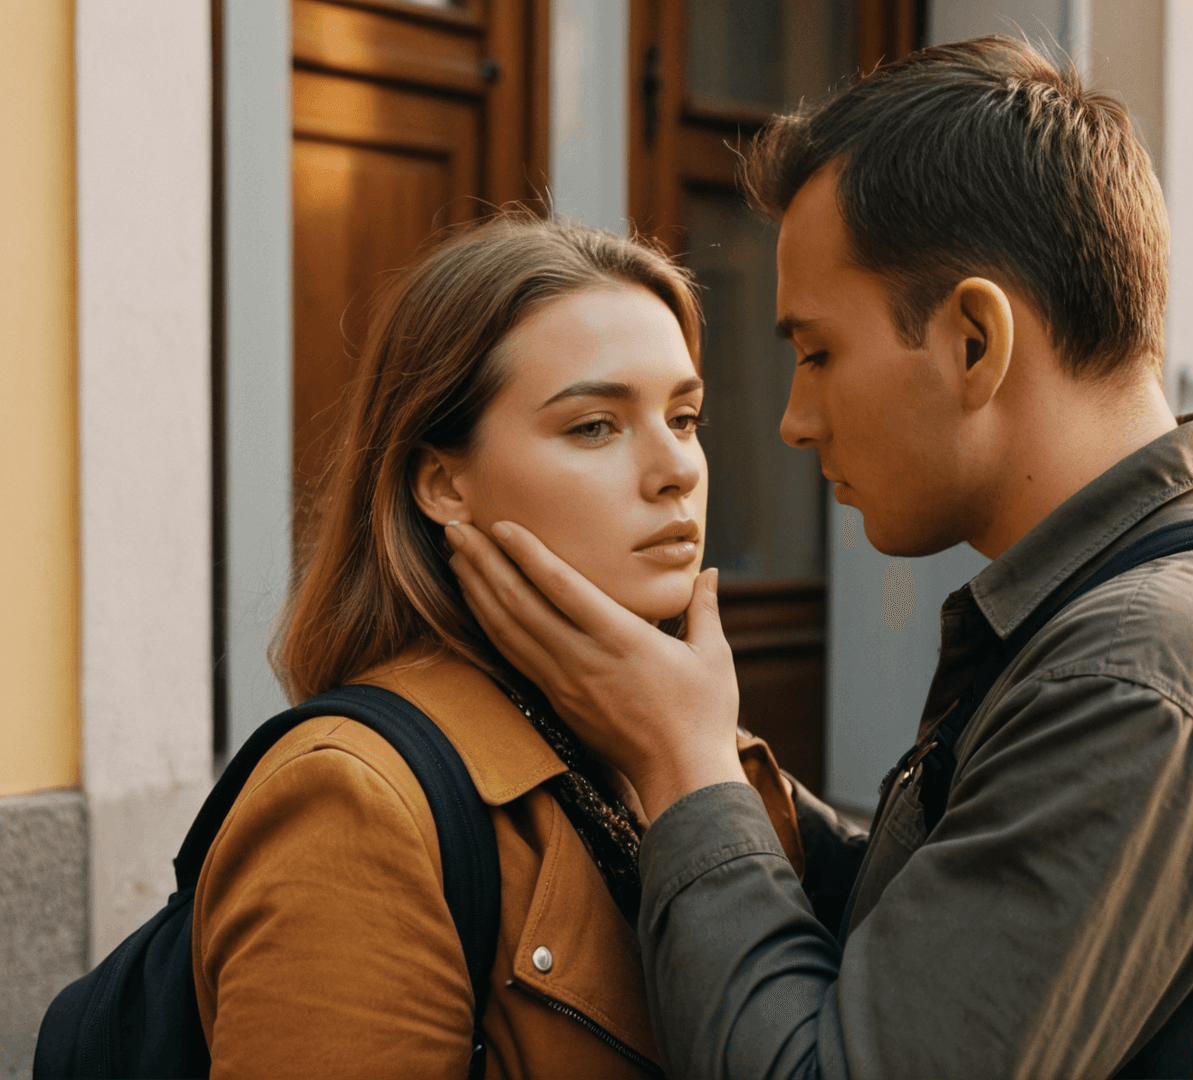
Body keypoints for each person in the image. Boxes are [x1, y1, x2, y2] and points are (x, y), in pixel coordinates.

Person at [447, 37, 1193, 1080]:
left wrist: (681, 766)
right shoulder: (1167, 617)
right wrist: (705, 749)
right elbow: (948, 935)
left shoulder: (1142, 678)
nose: (793, 423)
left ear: (974, 343)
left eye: (815, 354)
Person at [192, 214, 802, 1078]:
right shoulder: (356, 802)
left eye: (687, 415)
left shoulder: (682, 738)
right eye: (595, 425)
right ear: (444, 483)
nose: (678, 469)